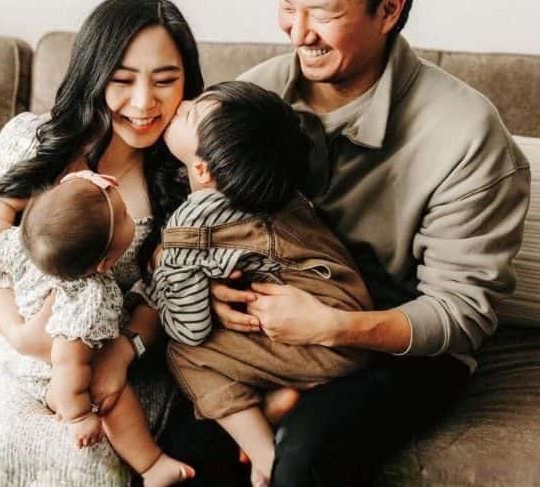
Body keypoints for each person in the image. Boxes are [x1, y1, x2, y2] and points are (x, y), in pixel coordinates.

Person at [159, 0, 532, 485]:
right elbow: (193, 217)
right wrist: (206, 286)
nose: (297, 31)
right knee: (181, 451)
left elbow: (461, 312)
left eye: (324, 14)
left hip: (397, 342)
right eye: (288, 6)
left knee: (301, 459)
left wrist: (332, 327)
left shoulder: (467, 134)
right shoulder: (251, 98)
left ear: (389, 9)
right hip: (269, 324)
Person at [0, 0, 204, 487]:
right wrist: (19, 334)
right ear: (93, 76)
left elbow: (170, 295)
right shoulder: (31, 141)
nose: (144, 103)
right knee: (2, 447)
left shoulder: (187, 174)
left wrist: (121, 356)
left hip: (118, 362)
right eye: (122, 81)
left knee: (84, 461)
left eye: (166, 80)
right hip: (20, 358)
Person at [147, 81, 377, 487]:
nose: (179, 104)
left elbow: (188, 321)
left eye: (190, 114)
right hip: (350, 314)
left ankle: (263, 454)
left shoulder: (195, 221)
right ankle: (276, 394)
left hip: (326, 341)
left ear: (202, 170)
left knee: (185, 351)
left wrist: (163, 284)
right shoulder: (277, 187)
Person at [0, 173, 194, 486]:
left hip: (37, 356)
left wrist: (4, 203)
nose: (129, 216)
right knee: (113, 397)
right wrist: (79, 414)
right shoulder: (87, 298)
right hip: (59, 373)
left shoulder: (21, 245)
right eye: (124, 216)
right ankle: (150, 464)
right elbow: (69, 362)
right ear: (104, 264)